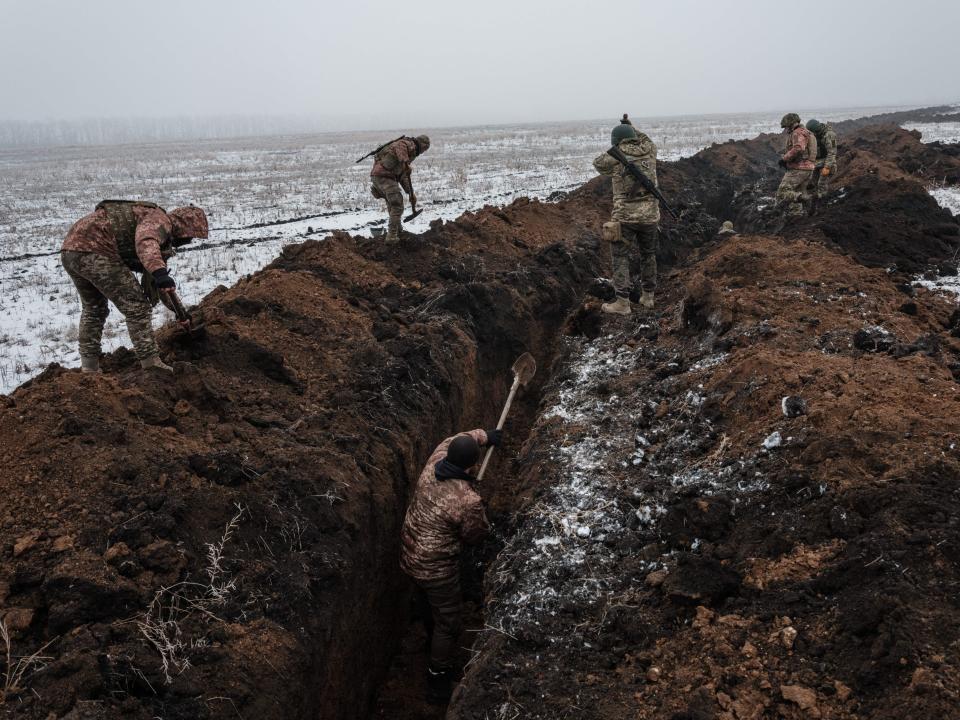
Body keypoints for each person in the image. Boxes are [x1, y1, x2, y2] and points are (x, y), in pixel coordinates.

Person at [399, 428, 501, 703]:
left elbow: (452, 438)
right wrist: (476, 503)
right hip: (436, 569)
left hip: (409, 552)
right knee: (449, 622)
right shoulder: (467, 501)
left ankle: (427, 633)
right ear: (473, 464)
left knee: (426, 603)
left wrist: (485, 436)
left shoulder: (435, 461)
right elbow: (475, 536)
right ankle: (438, 677)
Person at [61, 200, 208, 373]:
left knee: (94, 308)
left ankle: (89, 367)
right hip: (97, 249)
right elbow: (146, 242)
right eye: (189, 237)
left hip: (70, 250)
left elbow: (160, 286)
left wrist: (181, 313)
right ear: (183, 226)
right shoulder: (160, 219)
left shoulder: (157, 235)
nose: (187, 241)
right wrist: (160, 272)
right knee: (137, 306)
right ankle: (151, 363)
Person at [592, 116, 661, 314]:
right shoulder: (650, 149)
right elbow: (644, 137)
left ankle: (622, 303)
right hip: (650, 215)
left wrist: (619, 144)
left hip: (625, 217)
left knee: (620, 256)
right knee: (648, 255)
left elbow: (598, 163)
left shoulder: (615, 155)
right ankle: (648, 297)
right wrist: (631, 128)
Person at [370, 135, 431, 242]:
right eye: (425, 149)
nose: (423, 152)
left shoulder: (410, 153)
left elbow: (403, 176)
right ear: (422, 145)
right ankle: (392, 236)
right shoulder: (407, 144)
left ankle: (397, 230)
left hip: (381, 177)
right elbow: (399, 146)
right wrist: (405, 162)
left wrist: (410, 192)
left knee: (392, 204)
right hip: (384, 177)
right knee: (397, 205)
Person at [775, 113, 818, 219]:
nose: (785, 130)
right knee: (797, 192)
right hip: (808, 168)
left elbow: (799, 148)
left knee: (782, 192)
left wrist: (784, 159)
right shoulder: (808, 133)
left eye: (786, 127)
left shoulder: (797, 133)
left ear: (791, 124)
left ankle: (808, 199)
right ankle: (798, 216)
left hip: (799, 169)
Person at [805, 118, 838, 203]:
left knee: (821, 183)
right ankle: (814, 198)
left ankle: (823, 201)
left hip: (829, 161)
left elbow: (832, 153)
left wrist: (827, 167)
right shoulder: (816, 135)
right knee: (812, 181)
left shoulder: (829, 135)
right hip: (819, 161)